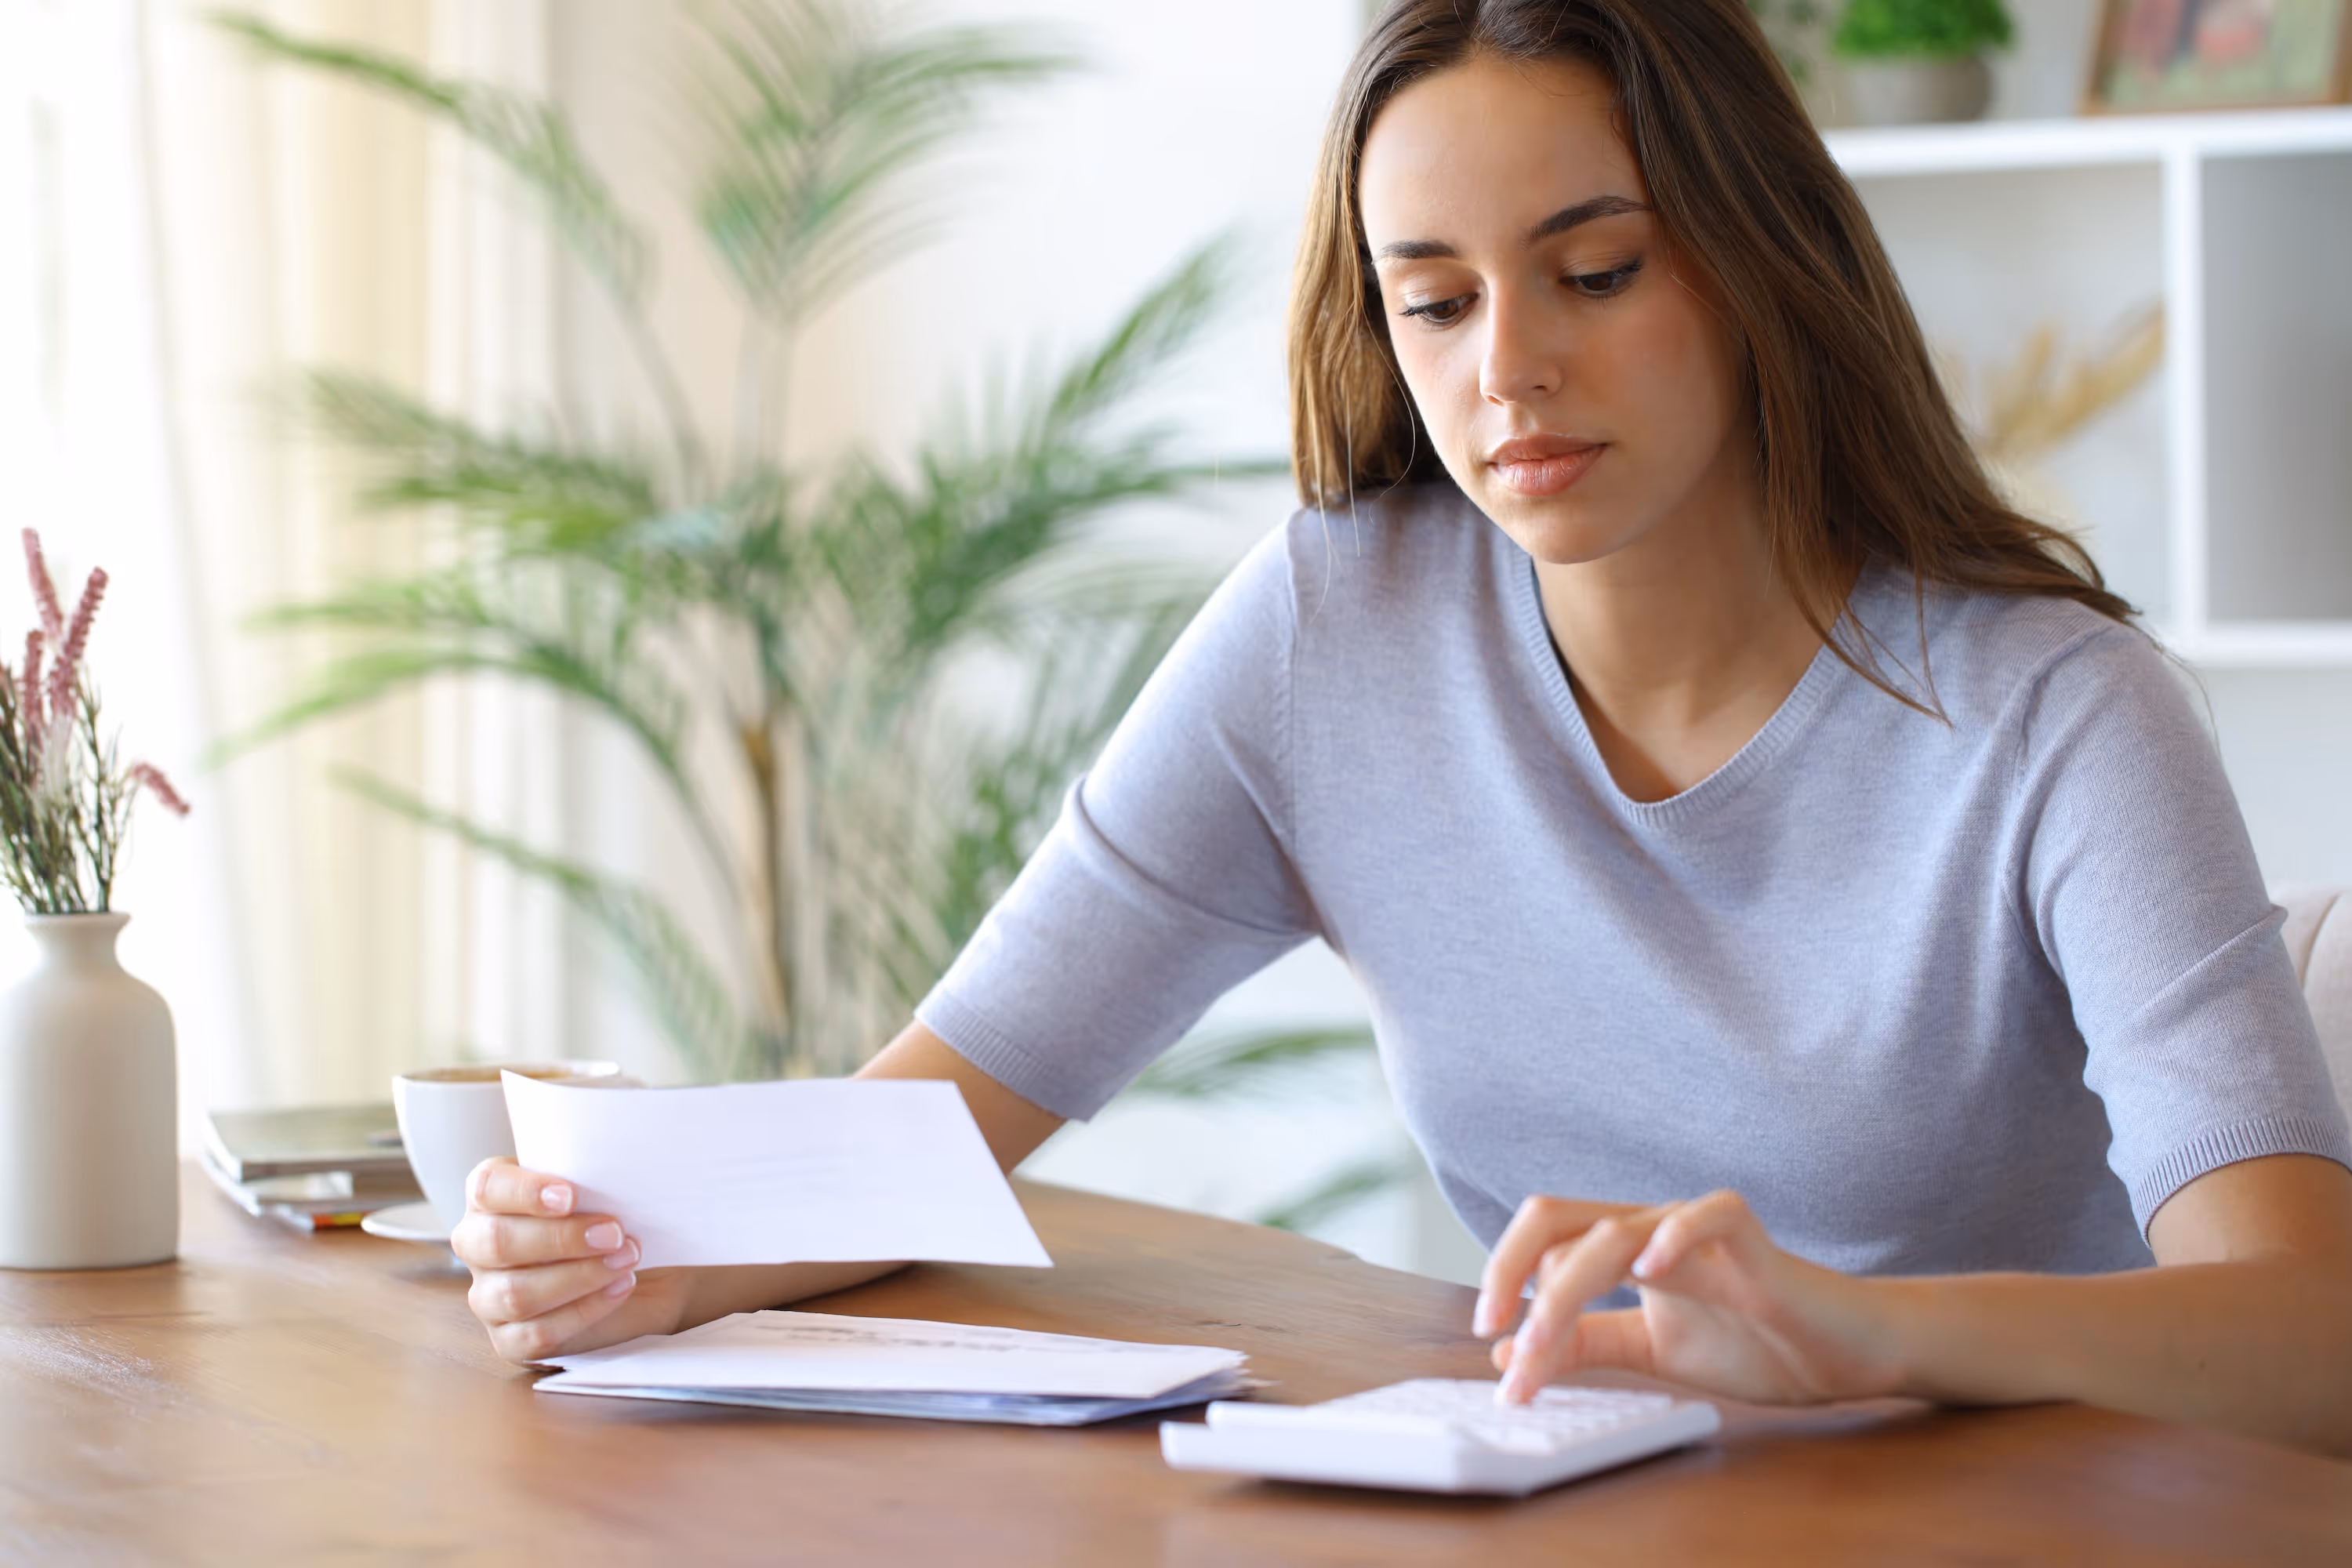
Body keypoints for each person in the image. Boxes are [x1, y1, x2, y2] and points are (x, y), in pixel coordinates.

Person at [452, 0, 2352, 1454]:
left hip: (2041, 1520)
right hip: (1585, 1497)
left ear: (1756, 262)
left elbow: (2307, 1331)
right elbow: (940, 1116)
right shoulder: (1330, 630)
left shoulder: (2055, 720)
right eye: (1432, 303)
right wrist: (645, 1259)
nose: (1505, 365)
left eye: (1594, 272)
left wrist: (1867, 1332)